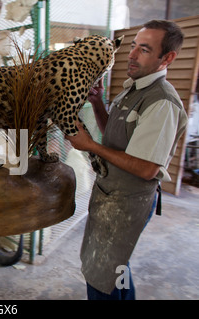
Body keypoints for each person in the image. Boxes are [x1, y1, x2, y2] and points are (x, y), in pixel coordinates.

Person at [65, 20, 188, 300]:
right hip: (111, 195)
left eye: (144, 49)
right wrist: (97, 105)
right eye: (133, 46)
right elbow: (118, 136)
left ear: (167, 58)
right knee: (117, 267)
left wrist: (91, 146)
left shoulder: (161, 103)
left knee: (101, 273)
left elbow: (147, 168)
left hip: (127, 202)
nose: (131, 55)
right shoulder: (134, 89)